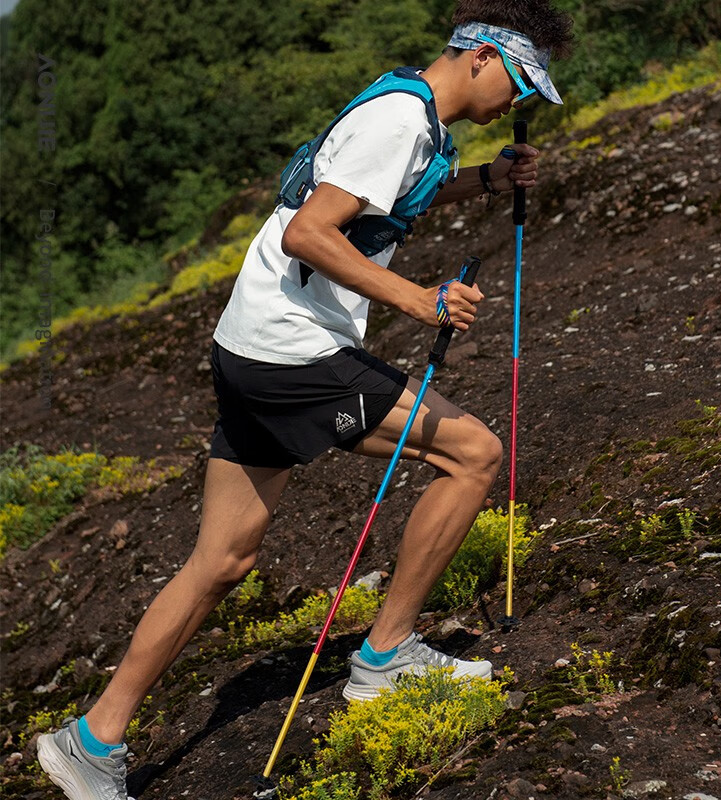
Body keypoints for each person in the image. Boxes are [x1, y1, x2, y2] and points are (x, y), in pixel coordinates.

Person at [37, 1, 574, 797]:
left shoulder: (406, 110)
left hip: (250, 344)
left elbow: (390, 197)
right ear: (482, 58)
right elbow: (310, 233)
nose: (520, 104)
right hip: (295, 354)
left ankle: (90, 739)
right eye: (522, 84)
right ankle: (384, 659)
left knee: (222, 561)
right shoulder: (401, 119)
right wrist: (418, 301)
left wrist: (486, 182)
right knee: (474, 453)